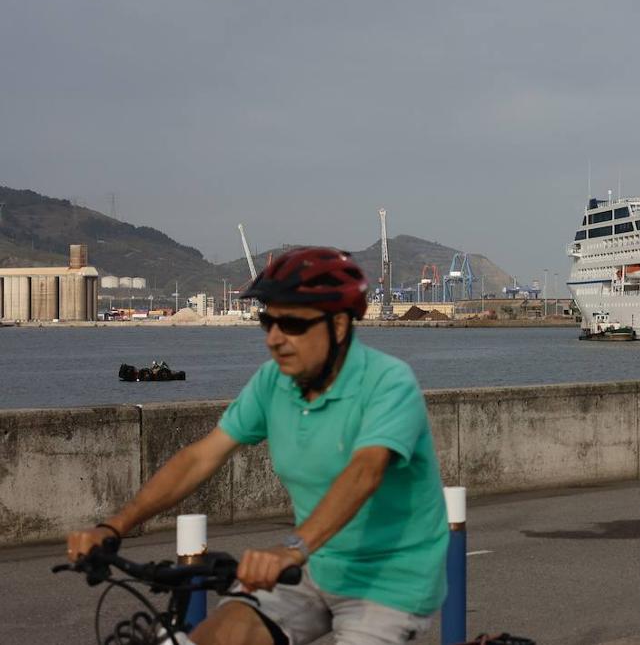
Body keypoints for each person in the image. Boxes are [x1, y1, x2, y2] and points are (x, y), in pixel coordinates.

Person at [66, 247, 449, 644]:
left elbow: (365, 472)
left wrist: (292, 549)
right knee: (219, 633)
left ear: (338, 325)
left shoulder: (388, 383)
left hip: (390, 582)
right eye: (268, 322)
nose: (275, 339)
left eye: (292, 325)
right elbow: (201, 457)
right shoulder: (273, 382)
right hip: (316, 565)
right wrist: (114, 526)